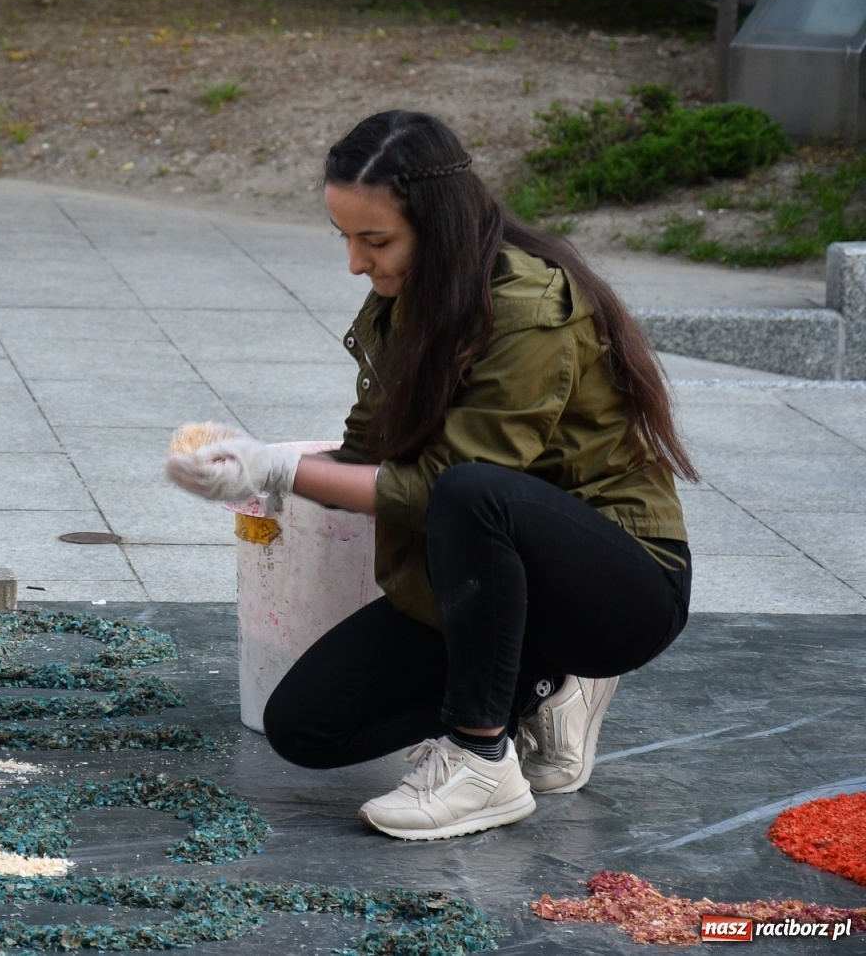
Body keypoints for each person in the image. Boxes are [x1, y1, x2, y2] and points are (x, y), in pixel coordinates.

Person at [165, 110, 693, 841]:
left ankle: (481, 762)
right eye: (344, 237)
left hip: (620, 583)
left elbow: (445, 486)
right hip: (490, 584)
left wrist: (281, 465)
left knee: (470, 491)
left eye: (374, 240)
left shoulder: (528, 306)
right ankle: (548, 686)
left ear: (438, 225)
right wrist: (245, 463)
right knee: (303, 728)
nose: (355, 262)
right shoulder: (402, 301)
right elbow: (362, 460)